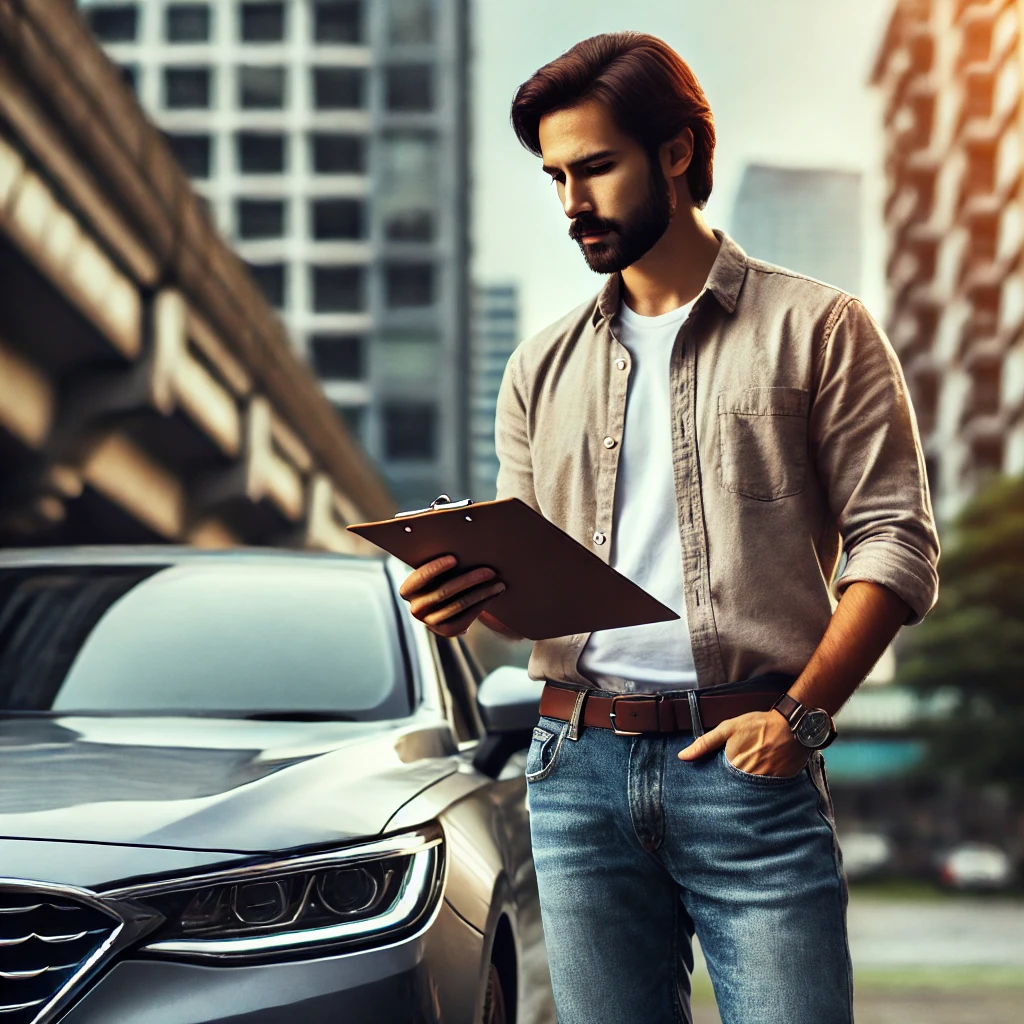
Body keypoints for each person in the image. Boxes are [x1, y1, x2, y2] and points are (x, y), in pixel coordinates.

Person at [398, 31, 939, 1024]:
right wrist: (465, 599)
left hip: (748, 762)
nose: (572, 201)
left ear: (677, 151)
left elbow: (895, 542)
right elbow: (531, 600)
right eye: (556, 176)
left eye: (595, 167)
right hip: (575, 770)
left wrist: (800, 719)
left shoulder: (820, 329)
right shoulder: (538, 369)